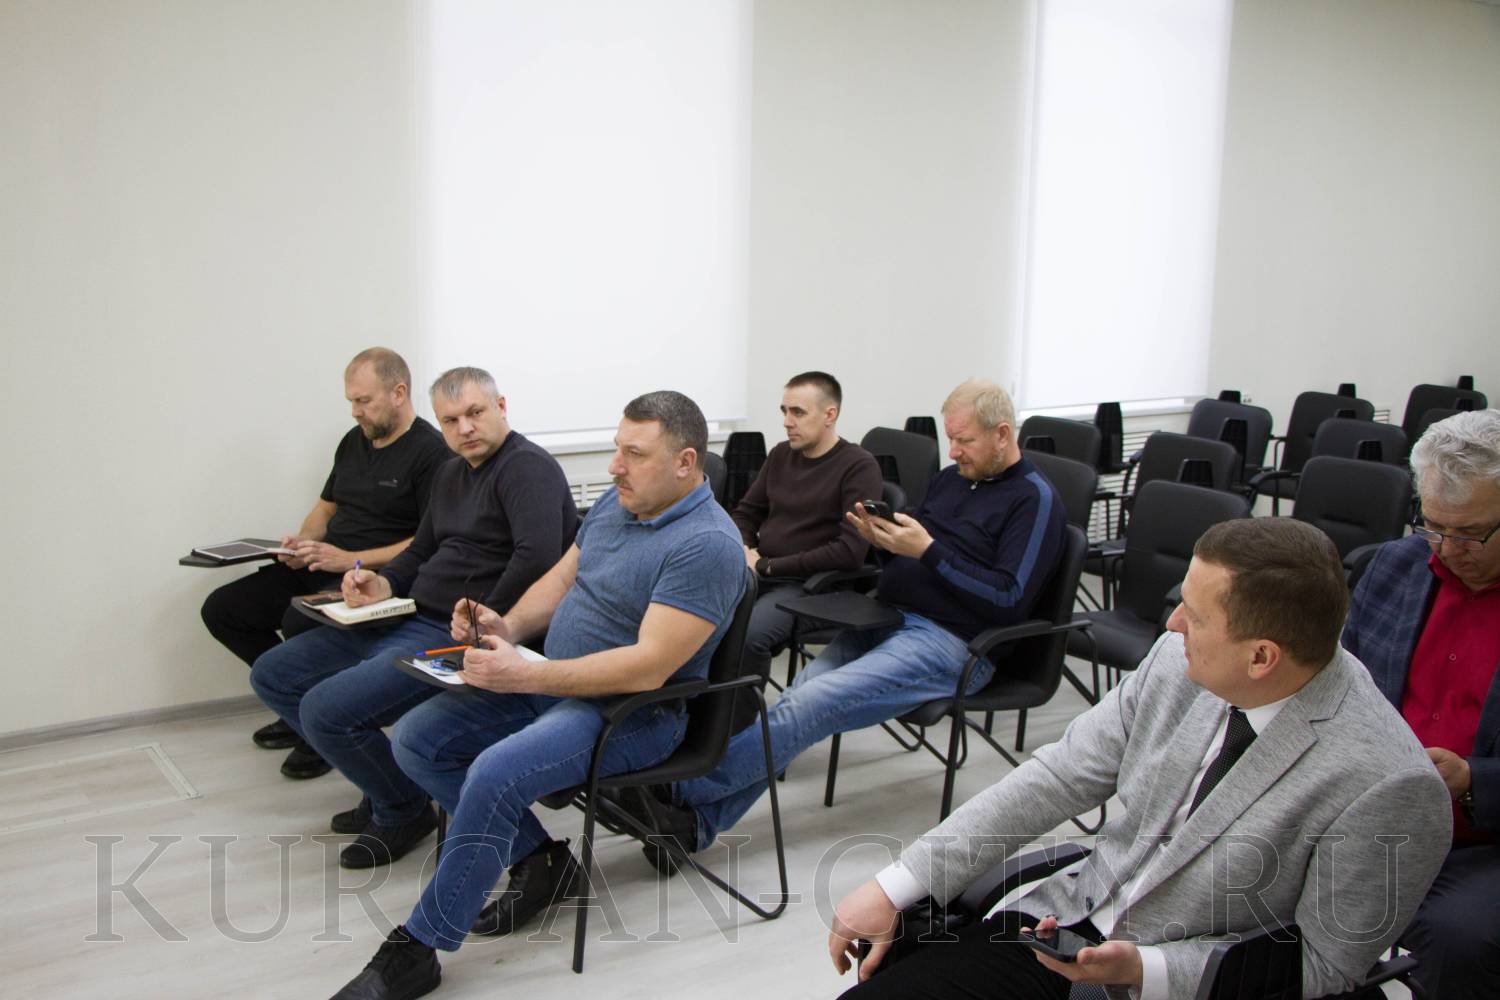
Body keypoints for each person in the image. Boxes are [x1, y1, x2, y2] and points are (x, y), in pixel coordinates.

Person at [827, 517, 1451, 1000]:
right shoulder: (1177, 661)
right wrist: (895, 885)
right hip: (1063, 928)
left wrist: (1145, 969)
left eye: (1195, 615)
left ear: (1261, 656)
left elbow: (1325, 962)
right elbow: (1059, 776)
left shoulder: (1388, 782)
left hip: (1188, 983)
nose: (1172, 623)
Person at [326, 390, 745, 1000]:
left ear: (686, 463)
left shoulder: (707, 545)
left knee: (495, 771)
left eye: (634, 454)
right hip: (554, 677)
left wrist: (526, 676)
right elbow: (564, 576)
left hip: (631, 713)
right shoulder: (621, 502)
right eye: (617, 448)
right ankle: (542, 861)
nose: (614, 466)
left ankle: (418, 948)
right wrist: (508, 627)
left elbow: (649, 667)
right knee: (418, 740)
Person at [616, 378, 1066, 870]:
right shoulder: (953, 479)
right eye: (950, 438)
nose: (953, 451)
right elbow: (915, 548)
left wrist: (927, 552)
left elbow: (1008, 599)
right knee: (798, 699)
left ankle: (677, 791)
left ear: (1002, 434)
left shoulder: (1034, 500)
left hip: (954, 644)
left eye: (965, 441)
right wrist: (885, 540)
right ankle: (691, 827)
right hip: (889, 616)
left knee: (809, 705)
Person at [248, 366, 575, 865]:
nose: (465, 428)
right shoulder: (450, 472)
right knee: (274, 674)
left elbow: (537, 560)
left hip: (456, 631)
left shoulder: (528, 469)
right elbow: (422, 548)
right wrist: (383, 584)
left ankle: (401, 808)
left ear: (501, 407)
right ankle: (391, 787)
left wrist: (482, 620)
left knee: (324, 712)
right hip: (407, 613)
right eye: (450, 420)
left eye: (475, 413)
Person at [199, 347, 448, 758]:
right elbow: (326, 508)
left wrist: (349, 560)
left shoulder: (432, 453)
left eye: (363, 401)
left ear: (399, 393)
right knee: (223, 609)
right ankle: (297, 707)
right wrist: (301, 544)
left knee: (298, 619)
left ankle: (321, 728)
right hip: (324, 562)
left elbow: (427, 541)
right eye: (351, 401)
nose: (355, 411)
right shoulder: (354, 441)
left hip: (369, 575)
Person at [1342, 408, 1500, 1000]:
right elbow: (1343, 689)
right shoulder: (1395, 565)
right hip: (1382, 815)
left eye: (1471, 533)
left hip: (1484, 842)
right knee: (1250, 870)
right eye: (1433, 526)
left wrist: (1472, 780)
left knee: (1460, 938)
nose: (1449, 549)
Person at [731, 371, 884, 724]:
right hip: (762, 573)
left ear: (830, 415)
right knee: (698, 614)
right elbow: (746, 513)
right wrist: (744, 547)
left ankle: (741, 738)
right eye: (784, 411)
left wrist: (768, 565)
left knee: (749, 636)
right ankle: (695, 719)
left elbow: (849, 552)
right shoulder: (780, 455)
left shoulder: (858, 466)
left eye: (798, 412)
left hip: (817, 588)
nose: (787, 422)